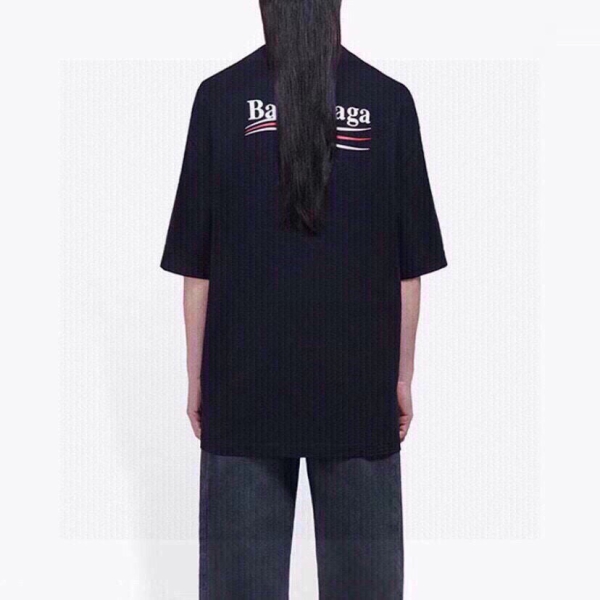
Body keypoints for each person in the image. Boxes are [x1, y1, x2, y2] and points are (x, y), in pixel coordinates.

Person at [160, 1, 447, 597]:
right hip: (358, 388)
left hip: (243, 388)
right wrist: (400, 378)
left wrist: (198, 377)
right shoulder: (388, 102)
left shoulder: (220, 98)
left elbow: (197, 268)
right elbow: (408, 271)